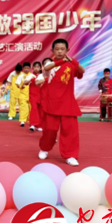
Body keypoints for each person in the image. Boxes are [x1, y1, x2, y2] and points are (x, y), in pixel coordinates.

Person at [39, 39, 85, 167]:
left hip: (68, 103)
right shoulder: (50, 64)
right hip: (51, 103)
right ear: (52, 51)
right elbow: (46, 68)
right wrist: (62, 61)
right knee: (50, 130)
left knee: (70, 131)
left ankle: (70, 155)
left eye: (62, 49)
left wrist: (73, 61)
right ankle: (45, 148)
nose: (59, 51)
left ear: (67, 50)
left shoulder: (71, 64)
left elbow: (82, 71)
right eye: (57, 49)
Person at [27, 61, 45, 132]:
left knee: (41, 110)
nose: (36, 68)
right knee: (34, 109)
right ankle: (33, 124)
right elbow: (25, 82)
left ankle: (40, 125)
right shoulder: (31, 75)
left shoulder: (43, 75)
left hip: (41, 95)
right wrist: (31, 80)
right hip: (33, 95)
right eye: (35, 67)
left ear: (40, 68)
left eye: (38, 67)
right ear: (33, 68)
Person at [15, 62, 33, 127]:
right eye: (25, 68)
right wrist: (20, 86)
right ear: (23, 68)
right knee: (23, 108)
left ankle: (30, 121)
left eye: (28, 68)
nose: (26, 69)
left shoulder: (32, 75)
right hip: (22, 95)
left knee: (31, 108)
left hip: (31, 94)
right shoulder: (21, 76)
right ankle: (22, 121)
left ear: (30, 68)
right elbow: (17, 83)